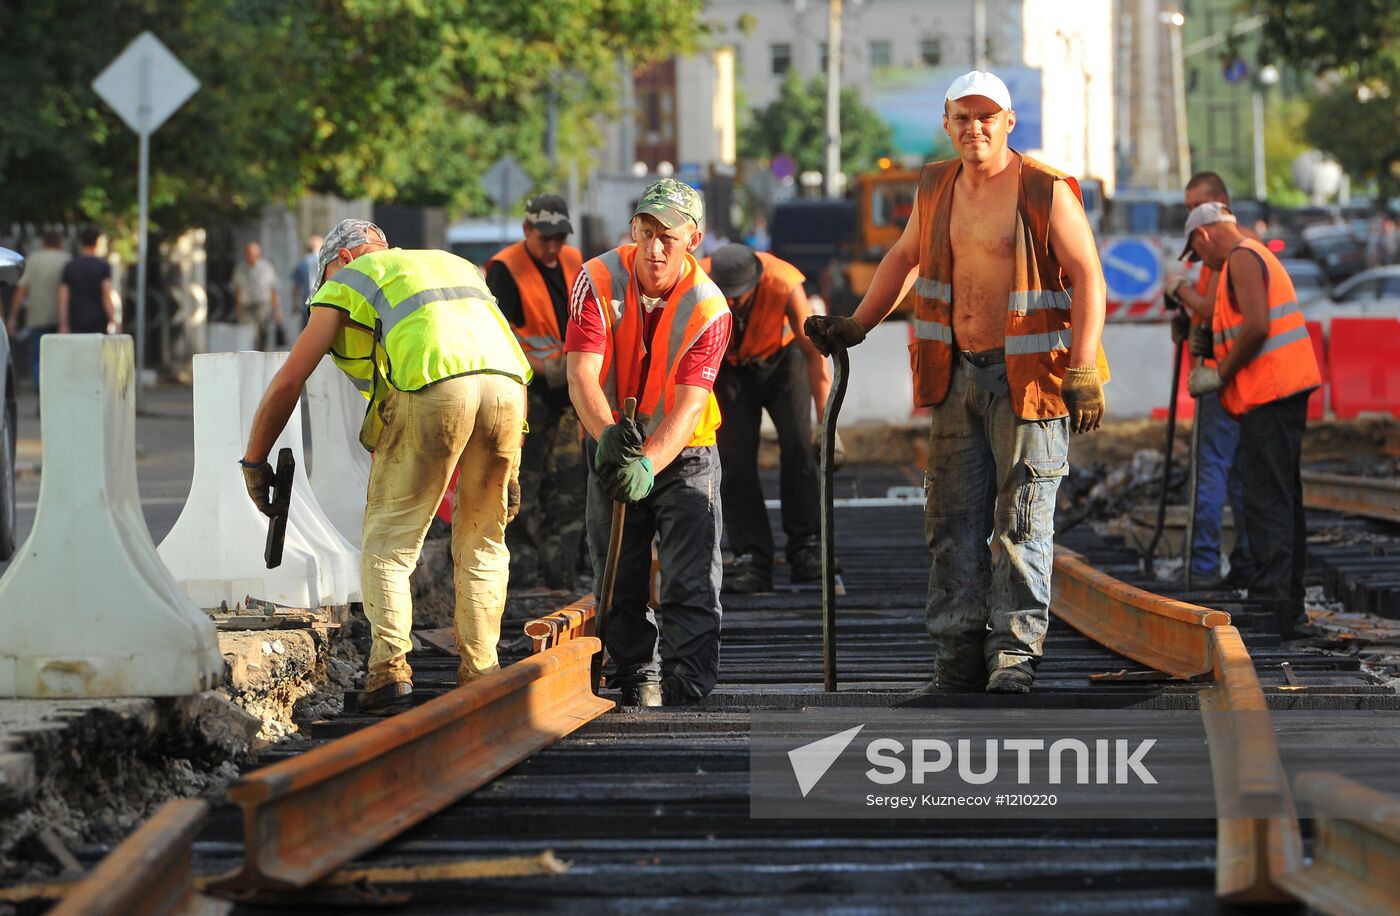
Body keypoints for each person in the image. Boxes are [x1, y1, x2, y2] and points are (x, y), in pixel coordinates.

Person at [805, 71, 1108, 694]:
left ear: (1008, 122)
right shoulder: (936, 186)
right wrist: (859, 323)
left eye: (986, 118)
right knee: (951, 524)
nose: (975, 128)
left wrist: (1081, 368)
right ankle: (957, 660)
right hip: (956, 376)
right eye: (963, 118)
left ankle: (1014, 659)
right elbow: (904, 257)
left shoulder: (1043, 189)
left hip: (1028, 382)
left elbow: (1089, 277)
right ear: (948, 124)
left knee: (1022, 523)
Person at [239, 219, 530, 714]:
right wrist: (514, 470)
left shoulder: (352, 278)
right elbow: (489, 353)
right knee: (483, 542)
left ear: (344, 259)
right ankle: (482, 674)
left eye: (325, 275)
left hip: (433, 385)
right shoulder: (452, 266)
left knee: (388, 545)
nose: (327, 288)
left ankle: (389, 671)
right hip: (509, 393)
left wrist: (254, 461)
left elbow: (290, 382)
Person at [565, 178, 732, 707]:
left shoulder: (710, 308)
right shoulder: (596, 279)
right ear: (632, 228)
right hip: (612, 442)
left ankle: (687, 681)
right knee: (618, 572)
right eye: (647, 231)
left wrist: (650, 464)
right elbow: (582, 375)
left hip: (686, 455)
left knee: (690, 577)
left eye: (669, 237)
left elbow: (688, 406)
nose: (655, 249)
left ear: (693, 240)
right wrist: (608, 438)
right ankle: (637, 672)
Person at [1182, 202, 1321, 636]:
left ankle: (1274, 607)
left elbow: (1258, 327)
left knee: (1267, 503)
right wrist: (1212, 343)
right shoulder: (1247, 259)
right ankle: (1286, 608)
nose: (1201, 263)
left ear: (1203, 237)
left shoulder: (1242, 257)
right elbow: (1241, 327)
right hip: (1275, 395)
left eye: (1197, 253)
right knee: (1279, 499)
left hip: (1272, 394)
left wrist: (1219, 373)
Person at [701, 243, 831, 593]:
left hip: (782, 362)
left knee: (799, 450)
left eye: (738, 297)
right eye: (725, 297)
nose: (732, 303)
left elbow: (814, 355)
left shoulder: (784, 283)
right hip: (730, 370)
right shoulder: (696, 279)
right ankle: (751, 556)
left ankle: (807, 547)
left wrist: (827, 422)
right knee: (734, 461)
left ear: (755, 283)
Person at [484, 194, 588, 591]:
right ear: (526, 230)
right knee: (523, 481)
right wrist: (545, 367)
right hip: (526, 392)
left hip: (567, 392)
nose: (552, 246)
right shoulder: (505, 270)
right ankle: (523, 576)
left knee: (568, 483)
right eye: (545, 237)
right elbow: (501, 334)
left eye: (559, 237)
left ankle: (563, 573)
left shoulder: (574, 262)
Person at [1166, 172, 1254, 589]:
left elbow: (1212, 307)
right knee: (1238, 471)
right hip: (1233, 372)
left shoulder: (1229, 251)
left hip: (1224, 373)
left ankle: (1201, 566)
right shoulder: (1234, 248)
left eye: (1195, 207)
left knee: (1212, 470)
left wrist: (1180, 290)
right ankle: (1248, 560)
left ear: (1218, 202)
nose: (1190, 219)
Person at [6, 230, 70, 394]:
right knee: (61, 358)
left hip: (37, 317)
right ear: (59, 242)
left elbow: (21, 289)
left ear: (43, 242)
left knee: (38, 358)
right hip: (63, 318)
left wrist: (13, 316)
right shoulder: (67, 260)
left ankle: (42, 395)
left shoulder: (33, 260)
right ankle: (57, 394)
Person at [59, 227, 118, 335]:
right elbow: (107, 295)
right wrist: (113, 320)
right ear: (97, 242)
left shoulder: (70, 266)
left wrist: (63, 323)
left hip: (76, 319)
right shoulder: (102, 266)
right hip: (98, 320)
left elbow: (63, 298)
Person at [232, 242, 282, 350]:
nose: (250, 256)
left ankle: (262, 352)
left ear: (258, 254)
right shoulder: (240, 268)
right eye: (248, 253)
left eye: (253, 254)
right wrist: (237, 308)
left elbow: (274, 288)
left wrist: (277, 310)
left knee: (263, 330)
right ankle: (249, 353)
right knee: (248, 332)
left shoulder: (267, 268)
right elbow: (237, 289)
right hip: (246, 306)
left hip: (263, 305)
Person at [288, 233, 324, 327]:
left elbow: (295, 288)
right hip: (324, 301)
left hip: (307, 302)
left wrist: (295, 305)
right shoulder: (325, 260)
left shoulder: (302, 263)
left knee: (307, 329)